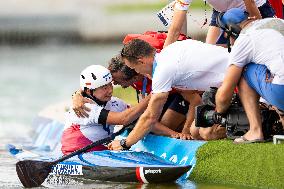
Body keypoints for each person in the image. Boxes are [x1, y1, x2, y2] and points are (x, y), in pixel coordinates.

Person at [107, 38, 231, 151]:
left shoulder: (163, 70)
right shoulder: (169, 51)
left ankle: (244, 130)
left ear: (141, 62)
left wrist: (125, 143)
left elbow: (150, 117)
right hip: (228, 81)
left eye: (133, 68)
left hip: (238, 80)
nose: (136, 72)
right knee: (195, 131)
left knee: (207, 133)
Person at [61, 65, 185, 155]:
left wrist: (173, 134)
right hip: (75, 153)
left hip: (100, 152)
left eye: (110, 85)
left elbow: (142, 119)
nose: (110, 90)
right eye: (104, 87)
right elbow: (124, 119)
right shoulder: (84, 107)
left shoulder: (115, 102)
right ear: (89, 91)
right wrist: (153, 95)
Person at [214, 8, 284, 144]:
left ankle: (255, 131)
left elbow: (224, 97)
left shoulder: (244, 39)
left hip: (281, 90)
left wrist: (219, 112)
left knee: (245, 70)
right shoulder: (277, 20)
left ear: (232, 31)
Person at [160, 0, 275, 47]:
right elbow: (175, 30)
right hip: (222, 12)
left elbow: (251, 4)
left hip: (253, 8)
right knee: (210, 51)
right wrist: (162, 61)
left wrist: (257, 31)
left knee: (258, 48)